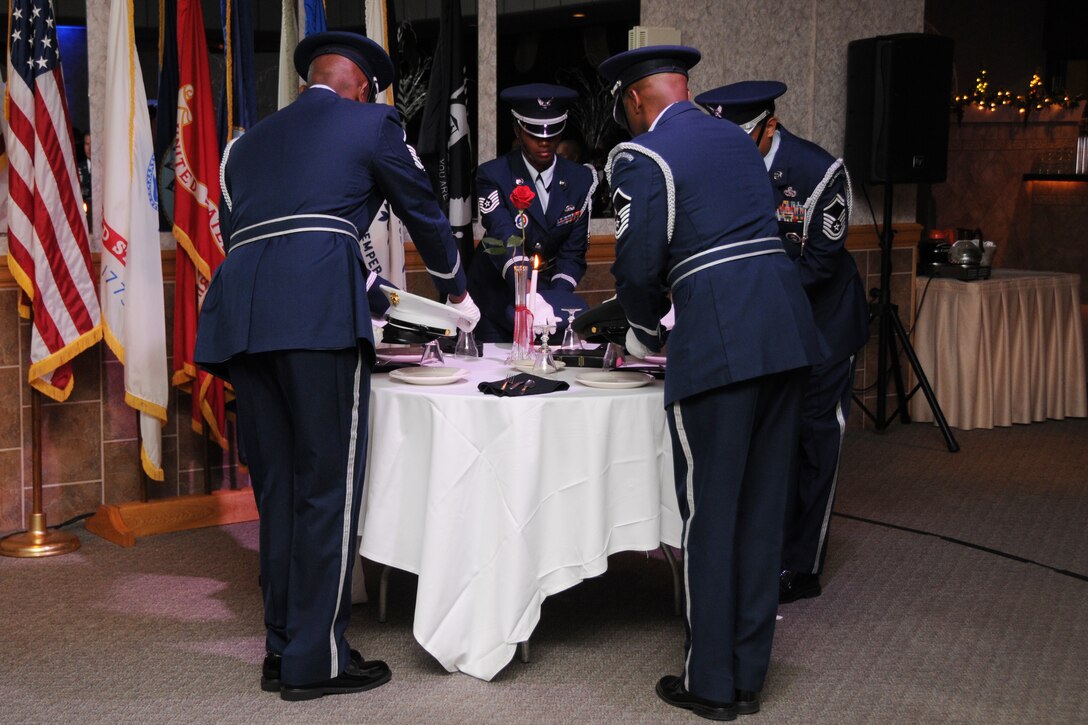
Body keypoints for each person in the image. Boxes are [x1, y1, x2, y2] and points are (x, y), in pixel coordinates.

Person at [194, 31, 480, 701]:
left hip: (245, 319)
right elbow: (421, 209)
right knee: (327, 486)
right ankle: (317, 659)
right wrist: (457, 292)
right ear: (361, 86)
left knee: (280, 491)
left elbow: (253, 234)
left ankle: (282, 645)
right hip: (318, 316)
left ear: (308, 82)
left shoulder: (245, 145)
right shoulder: (372, 122)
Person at [597, 46, 822, 720]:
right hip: (784, 333)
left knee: (712, 514)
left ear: (635, 100)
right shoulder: (739, 138)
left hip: (719, 345)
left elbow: (638, 268)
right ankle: (749, 672)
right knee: (762, 509)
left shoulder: (643, 158)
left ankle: (711, 682)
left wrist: (643, 333)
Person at [695, 82, 870, 605]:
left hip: (821, 327)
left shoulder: (819, 172)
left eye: (742, 135)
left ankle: (802, 564)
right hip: (763, 327)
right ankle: (758, 552)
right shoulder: (722, 162)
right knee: (769, 442)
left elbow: (819, 262)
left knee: (816, 441)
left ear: (769, 125)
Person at [467, 83, 598, 342]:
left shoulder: (581, 179)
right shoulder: (493, 174)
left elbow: (573, 251)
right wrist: (526, 292)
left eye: (553, 132)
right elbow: (502, 231)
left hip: (548, 291)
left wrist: (551, 302)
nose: (545, 141)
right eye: (534, 133)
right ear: (517, 129)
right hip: (495, 294)